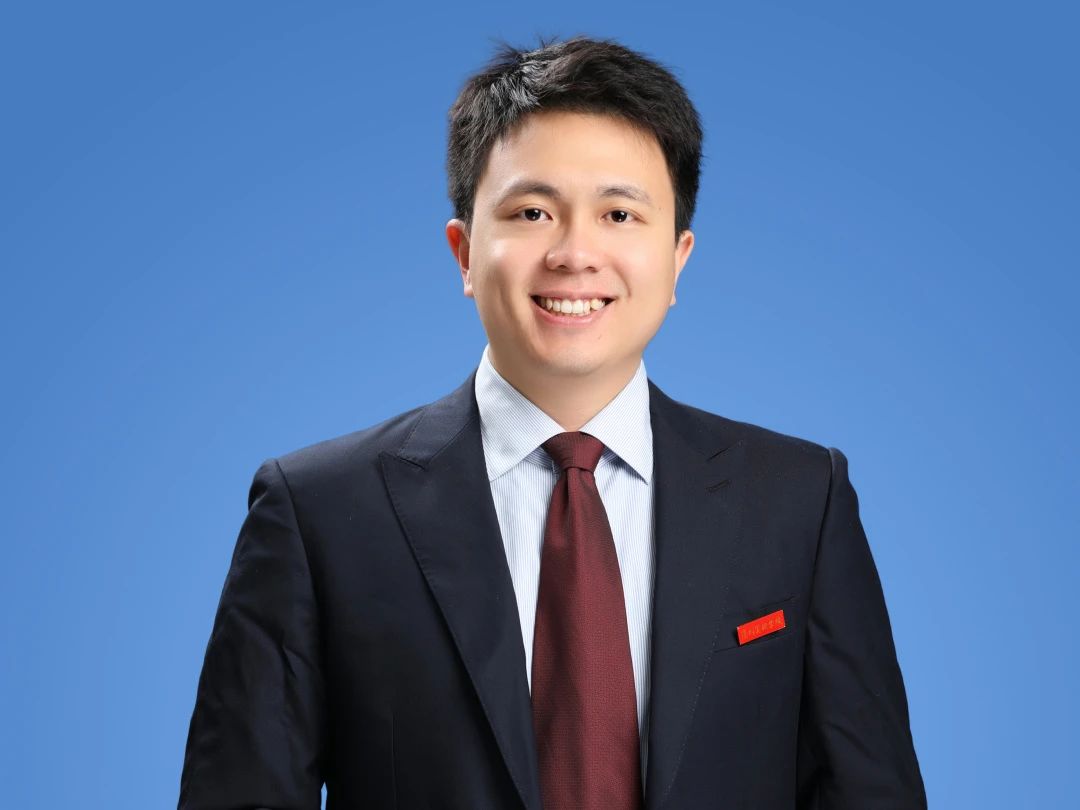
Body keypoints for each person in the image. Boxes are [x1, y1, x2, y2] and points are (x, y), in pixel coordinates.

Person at [178, 36, 927, 810]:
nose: (575, 253)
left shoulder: (799, 500)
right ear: (464, 252)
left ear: (678, 259)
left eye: (619, 213)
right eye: (532, 212)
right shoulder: (319, 511)